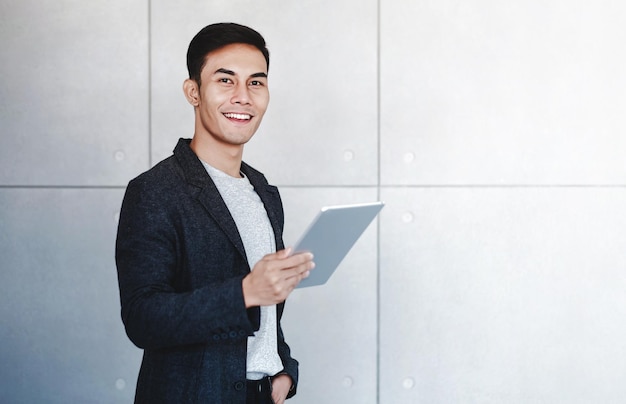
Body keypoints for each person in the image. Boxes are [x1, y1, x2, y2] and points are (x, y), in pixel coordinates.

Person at [115, 22, 314, 404]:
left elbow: (267, 315)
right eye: (226, 81)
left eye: (256, 83)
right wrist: (243, 293)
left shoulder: (263, 192)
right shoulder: (155, 191)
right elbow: (142, 318)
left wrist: (284, 369)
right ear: (193, 91)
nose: (243, 97)